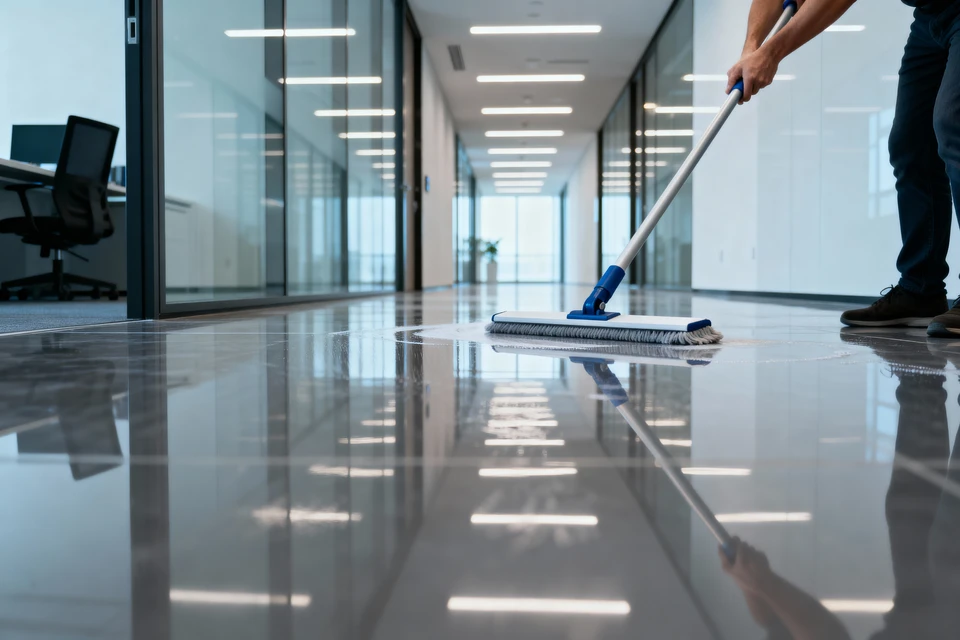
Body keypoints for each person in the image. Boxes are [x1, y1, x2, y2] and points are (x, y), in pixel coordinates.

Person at [726, 0, 960, 337]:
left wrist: (771, 53)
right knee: (911, 144)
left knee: (953, 124)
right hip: (929, 15)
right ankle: (921, 289)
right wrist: (751, 49)